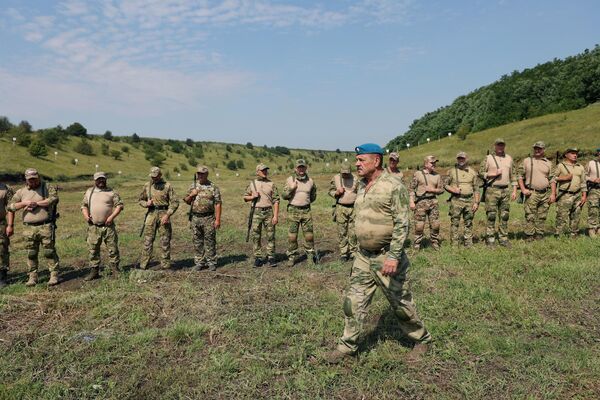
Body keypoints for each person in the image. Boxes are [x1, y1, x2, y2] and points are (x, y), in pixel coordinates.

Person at [325, 143, 431, 364]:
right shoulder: (362, 186)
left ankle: (421, 340)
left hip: (386, 257)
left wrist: (393, 256)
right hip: (363, 257)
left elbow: (403, 224)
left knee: (401, 304)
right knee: (352, 304)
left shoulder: (394, 186)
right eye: (356, 160)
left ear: (376, 161)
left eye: (361, 160)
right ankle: (347, 347)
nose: (357, 164)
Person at [8, 168, 61, 286]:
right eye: (30, 180)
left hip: (45, 226)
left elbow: (53, 199)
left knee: (49, 251)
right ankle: (32, 277)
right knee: (31, 253)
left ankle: (54, 275)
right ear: (26, 180)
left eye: (35, 179)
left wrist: (36, 203)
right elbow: (10, 206)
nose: (33, 181)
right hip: (28, 229)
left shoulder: (46, 187)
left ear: (38, 177)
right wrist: (24, 203)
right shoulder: (21, 192)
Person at [81, 172, 124, 280]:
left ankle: (115, 270)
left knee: (113, 248)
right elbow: (84, 206)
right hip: (93, 227)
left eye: (102, 179)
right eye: (98, 179)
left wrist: (111, 217)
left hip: (108, 226)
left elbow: (119, 206)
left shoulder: (112, 192)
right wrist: (86, 216)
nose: (101, 181)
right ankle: (94, 271)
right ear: (95, 180)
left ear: (105, 180)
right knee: (93, 250)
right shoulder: (89, 192)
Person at [138, 167, 179, 270]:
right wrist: (146, 204)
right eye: (152, 176)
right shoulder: (147, 186)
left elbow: (175, 202)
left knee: (165, 240)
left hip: (164, 214)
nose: (154, 178)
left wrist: (168, 214)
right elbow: (140, 200)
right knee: (148, 240)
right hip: (151, 214)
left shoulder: (167, 186)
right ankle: (144, 264)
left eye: (155, 176)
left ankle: (165, 265)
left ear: (160, 175)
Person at [479, 138, 518, 247]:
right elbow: (480, 172)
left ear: (504, 146)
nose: (500, 147)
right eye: (498, 145)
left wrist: (514, 190)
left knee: (504, 216)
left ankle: (503, 239)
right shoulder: (488, 158)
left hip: (505, 190)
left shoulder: (509, 158)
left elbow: (513, 175)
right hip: (492, 190)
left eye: (502, 145)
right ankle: (490, 239)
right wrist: (492, 173)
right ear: (494, 146)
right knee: (491, 215)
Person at [282, 159, 318, 267]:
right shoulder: (290, 180)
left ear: (306, 168)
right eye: (299, 167)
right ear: (295, 169)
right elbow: (284, 196)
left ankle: (310, 257)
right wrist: (291, 188)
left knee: (309, 236)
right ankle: (292, 257)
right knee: (292, 236)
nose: (301, 169)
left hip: (306, 211)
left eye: (303, 167)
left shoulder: (310, 181)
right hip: (293, 211)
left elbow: (313, 196)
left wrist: (305, 202)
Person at [517, 141, 555, 241]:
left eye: (539, 148)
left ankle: (539, 235)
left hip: (545, 193)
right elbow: (519, 176)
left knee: (542, 215)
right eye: (535, 148)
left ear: (544, 150)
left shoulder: (548, 163)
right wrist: (523, 189)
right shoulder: (526, 161)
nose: (537, 150)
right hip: (531, 192)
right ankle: (529, 235)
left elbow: (552, 179)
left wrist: (553, 193)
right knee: (530, 215)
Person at [243, 164, 279, 267]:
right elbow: (245, 197)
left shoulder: (271, 184)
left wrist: (275, 216)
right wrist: (252, 196)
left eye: (266, 170)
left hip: (268, 212)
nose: (265, 172)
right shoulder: (252, 183)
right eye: (263, 170)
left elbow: (276, 200)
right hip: (256, 212)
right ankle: (258, 258)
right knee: (256, 236)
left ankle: (271, 257)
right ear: (257, 171)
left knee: (271, 235)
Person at [444, 152, 480, 247]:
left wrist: (476, 202)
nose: (461, 160)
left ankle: (468, 243)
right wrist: (453, 189)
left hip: (469, 201)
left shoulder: (473, 172)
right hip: (456, 200)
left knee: (468, 222)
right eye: (459, 158)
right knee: (455, 223)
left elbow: (476, 189)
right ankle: (454, 244)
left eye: (463, 158)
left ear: (467, 159)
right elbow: (445, 184)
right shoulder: (451, 171)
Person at [409, 155, 444, 250]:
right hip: (421, 202)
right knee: (419, 226)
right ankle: (417, 245)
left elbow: (441, 190)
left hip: (433, 202)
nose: (434, 164)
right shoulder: (418, 174)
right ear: (425, 164)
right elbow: (411, 189)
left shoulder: (437, 175)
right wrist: (411, 202)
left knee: (435, 225)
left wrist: (433, 190)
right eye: (432, 163)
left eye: (435, 162)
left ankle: (435, 242)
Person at [551, 148, 587, 237]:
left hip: (577, 195)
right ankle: (558, 234)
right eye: (572, 153)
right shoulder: (561, 166)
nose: (575, 155)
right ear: (566, 155)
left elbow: (583, 182)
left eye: (576, 153)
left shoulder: (580, 167)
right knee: (561, 216)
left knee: (576, 215)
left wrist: (584, 195)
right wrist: (563, 178)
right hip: (565, 195)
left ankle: (574, 233)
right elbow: (552, 178)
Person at [328, 163, 358, 261]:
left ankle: (353, 252)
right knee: (342, 231)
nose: (345, 175)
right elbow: (330, 191)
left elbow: (360, 192)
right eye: (343, 173)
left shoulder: (356, 178)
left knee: (353, 232)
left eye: (347, 173)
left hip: (353, 208)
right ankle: (344, 253)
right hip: (341, 208)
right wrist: (336, 193)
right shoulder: (336, 178)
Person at [0, 180, 15, 288]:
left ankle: (2, 277)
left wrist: (10, 225)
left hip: (0, 224)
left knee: (2, 249)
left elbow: (10, 207)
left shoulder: (5, 188)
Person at [585, 148, 600, 237]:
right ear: (598, 154)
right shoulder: (591, 163)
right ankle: (591, 229)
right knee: (593, 209)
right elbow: (584, 175)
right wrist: (593, 179)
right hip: (594, 189)